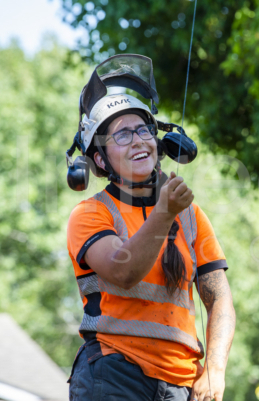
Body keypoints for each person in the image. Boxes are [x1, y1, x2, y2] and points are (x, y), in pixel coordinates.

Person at [65, 55, 235, 401]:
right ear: (100, 158)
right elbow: (123, 271)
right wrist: (165, 211)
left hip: (182, 386)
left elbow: (220, 300)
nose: (138, 141)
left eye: (143, 130)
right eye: (122, 135)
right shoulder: (90, 214)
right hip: (114, 374)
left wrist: (215, 371)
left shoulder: (190, 215)